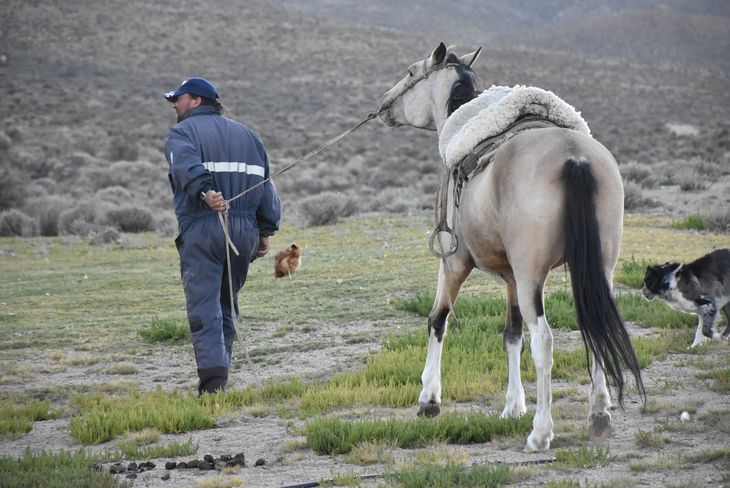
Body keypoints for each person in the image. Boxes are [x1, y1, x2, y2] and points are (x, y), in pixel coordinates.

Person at [164, 77, 281, 395]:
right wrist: (265, 230)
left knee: (205, 305)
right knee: (226, 304)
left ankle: (213, 384)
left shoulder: (182, 132)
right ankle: (220, 377)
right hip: (243, 234)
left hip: (205, 225)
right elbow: (266, 186)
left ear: (197, 101)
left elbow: (185, 167)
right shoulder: (249, 136)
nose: (174, 104)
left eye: (179, 98)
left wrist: (205, 192)